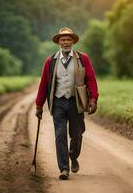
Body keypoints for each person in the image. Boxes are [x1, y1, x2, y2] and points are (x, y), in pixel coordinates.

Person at [35, 27, 99, 180]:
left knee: (77, 134)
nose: (65, 42)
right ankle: (64, 168)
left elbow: (91, 79)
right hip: (58, 103)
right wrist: (39, 105)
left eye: (68, 39)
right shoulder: (51, 61)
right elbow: (44, 83)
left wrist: (93, 99)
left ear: (73, 42)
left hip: (76, 101)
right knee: (60, 135)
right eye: (62, 39)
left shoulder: (82, 59)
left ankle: (73, 155)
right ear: (58, 42)